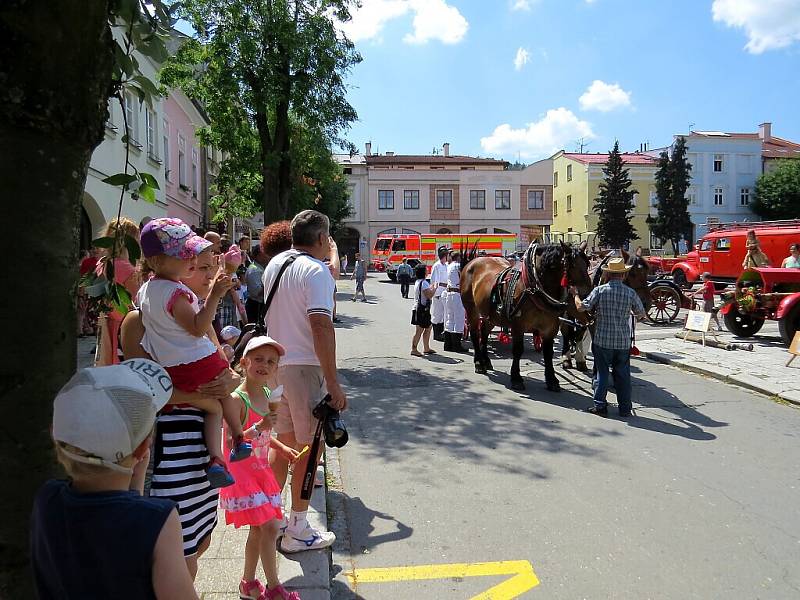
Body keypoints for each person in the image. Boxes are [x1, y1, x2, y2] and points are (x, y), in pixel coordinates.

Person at [30, 361, 199, 599]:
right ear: (143, 449)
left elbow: (117, 517)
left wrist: (136, 477)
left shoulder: (47, 499)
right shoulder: (159, 519)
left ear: (54, 434)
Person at [120, 245, 240, 579]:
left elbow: (224, 370)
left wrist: (231, 380)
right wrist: (204, 400)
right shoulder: (137, 322)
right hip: (170, 444)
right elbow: (145, 388)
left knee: (199, 535)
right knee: (177, 544)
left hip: (202, 446)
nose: (207, 276)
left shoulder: (196, 319)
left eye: (209, 267)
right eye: (200, 268)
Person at [137, 218, 251, 488]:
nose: (190, 258)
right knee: (221, 397)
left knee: (214, 405)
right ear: (156, 261)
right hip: (197, 363)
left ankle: (218, 458)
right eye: (184, 254)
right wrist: (213, 297)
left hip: (173, 370)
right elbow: (199, 328)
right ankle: (237, 438)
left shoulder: (145, 291)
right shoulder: (177, 293)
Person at [262, 209, 346, 553]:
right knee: (309, 449)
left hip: (275, 364)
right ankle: (298, 526)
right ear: (323, 239)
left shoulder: (276, 265)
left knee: (282, 444)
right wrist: (334, 382)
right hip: (303, 368)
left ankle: (272, 515)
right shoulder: (316, 271)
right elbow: (321, 327)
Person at [221, 337, 301, 600]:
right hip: (243, 476)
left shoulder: (268, 395)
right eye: (258, 359)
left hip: (261, 472)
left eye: (271, 362)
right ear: (243, 363)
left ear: (276, 368)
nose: (264, 366)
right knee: (269, 528)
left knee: (259, 529)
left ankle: (248, 583)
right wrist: (260, 427)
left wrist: (281, 447)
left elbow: (265, 435)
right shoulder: (236, 399)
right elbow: (232, 443)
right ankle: (275, 589)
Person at [572, 257, 646, 418]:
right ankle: (625, 408)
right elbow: (642, 315)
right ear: (623, 275)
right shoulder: (630, 293)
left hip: (602, 340)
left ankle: (600, 406)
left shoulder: (600, 290)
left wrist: (575, 295)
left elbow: (580, 307)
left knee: (602, 374)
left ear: (608, 274)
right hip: (622, 342)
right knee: (623, 375)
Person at [94, 217, 141, 366]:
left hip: (106, 324)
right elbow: (134, 304)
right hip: (124, 328)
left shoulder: (102, 264)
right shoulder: (129, 270)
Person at [442, 251, 466, 352]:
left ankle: (448, 344)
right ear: (458, 257)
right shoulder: (458, 266)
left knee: (450, 318)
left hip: (449, 293)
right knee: (459, 319)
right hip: (457, 293)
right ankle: (457, 345)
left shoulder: (449, 266)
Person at [410, 263, 436, 356]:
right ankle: (414, 349)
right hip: (422, 310)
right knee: (420, 330)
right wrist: (434, 288)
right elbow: (429, 295)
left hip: (419, 308)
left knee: (428, 327)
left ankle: (426, 348)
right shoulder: (424, 283)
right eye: (426, 269)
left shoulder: (418, 282)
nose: (427, 270)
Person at [429, 246, 449, 342]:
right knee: (437, 314)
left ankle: (441, 332)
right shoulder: (437, 266)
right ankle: (436, 334)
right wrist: (435, 292)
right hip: (438, 293)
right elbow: (434, 280)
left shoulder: (445, 265)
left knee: (443, 314)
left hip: (444, 293)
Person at [245, 244, 268, 324]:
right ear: (259, 255)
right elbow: (256, 292)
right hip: (256, 306)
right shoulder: (254, 270)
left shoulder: (261, 268)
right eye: (265, 253)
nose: (268, 256)